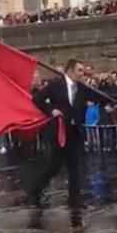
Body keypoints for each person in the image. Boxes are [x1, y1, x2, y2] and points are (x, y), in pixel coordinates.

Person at [29, 58, 88, 212]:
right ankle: (34, 191)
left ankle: (75, 201)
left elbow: (98, 97)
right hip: (58, 131)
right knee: (54, 166)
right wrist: (51, 110)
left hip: (74, 132)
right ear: (70, 70)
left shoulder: (81, 88)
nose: (82, 74)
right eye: (79, 70)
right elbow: (37, 99)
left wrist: (115, 101)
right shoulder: (56, 85)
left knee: (75, 168)